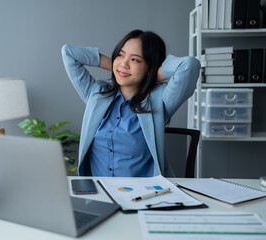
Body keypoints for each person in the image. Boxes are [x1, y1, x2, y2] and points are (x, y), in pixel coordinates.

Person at [61, 30, 200, 177]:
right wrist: (116, 67)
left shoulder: (160, 100)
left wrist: (152, 75)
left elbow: (189, 65)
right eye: (120, 55)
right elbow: (69, 53)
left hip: (144, 195)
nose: (124, 64)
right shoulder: (96, 94)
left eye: (135, 60)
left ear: (150, 66)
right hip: (99, 194)